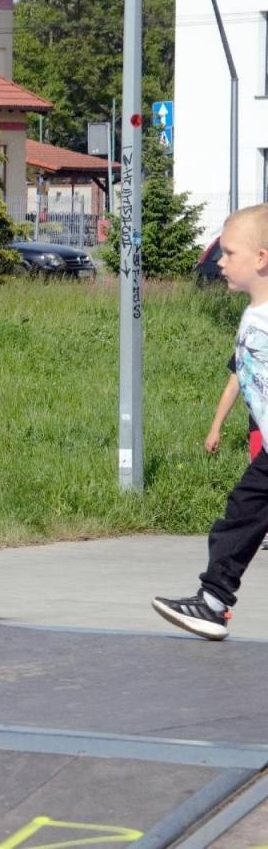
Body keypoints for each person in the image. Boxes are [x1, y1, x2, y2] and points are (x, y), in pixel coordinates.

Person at [153, 204, 268, 640]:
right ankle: (212, 604)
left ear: (260, 258)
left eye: (229, 252)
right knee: (239, 518)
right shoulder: (253, 316)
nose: (219, 261)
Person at [207, 356, 262, 461]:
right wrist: (215, 429)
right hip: (260, 429)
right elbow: (233, 387)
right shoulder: (249, 344)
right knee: (260, 474)